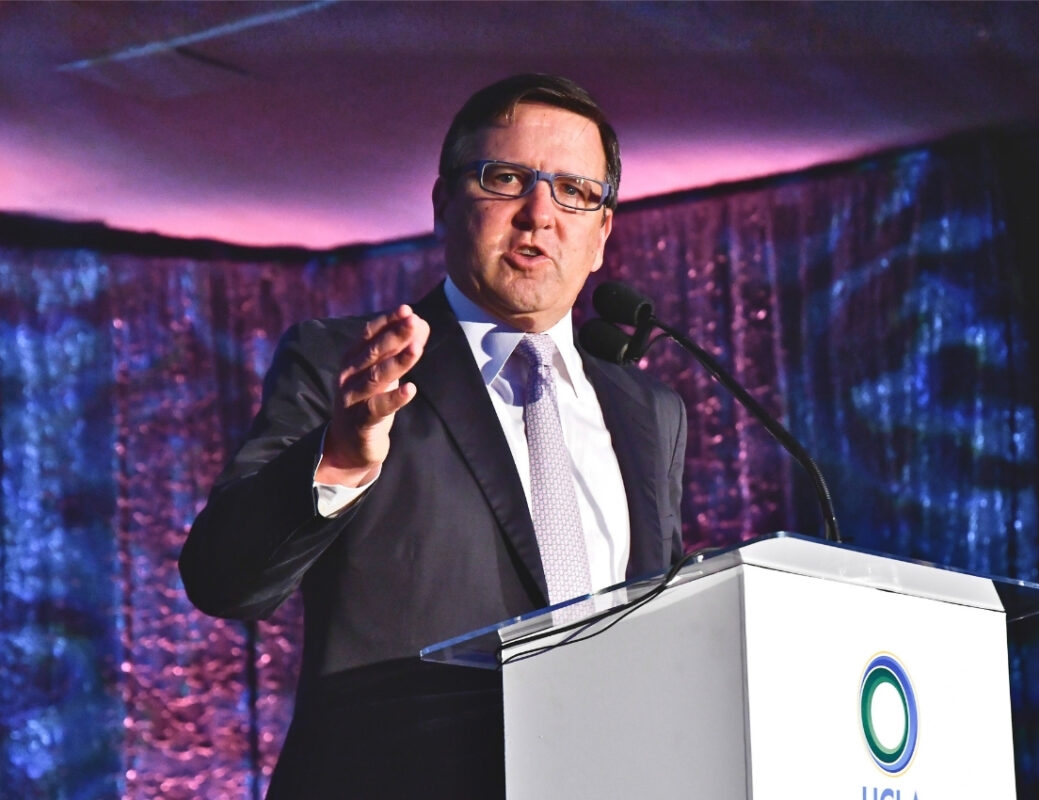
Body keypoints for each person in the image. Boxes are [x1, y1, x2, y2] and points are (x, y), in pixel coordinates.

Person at [179, 74, 686, 798]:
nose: (540, 214)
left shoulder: (650, 411)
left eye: (576, 191)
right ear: (444, 204)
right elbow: (224, 579)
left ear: (603, 232)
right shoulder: (346, 366)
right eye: (505, 178)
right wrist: (343, 456)